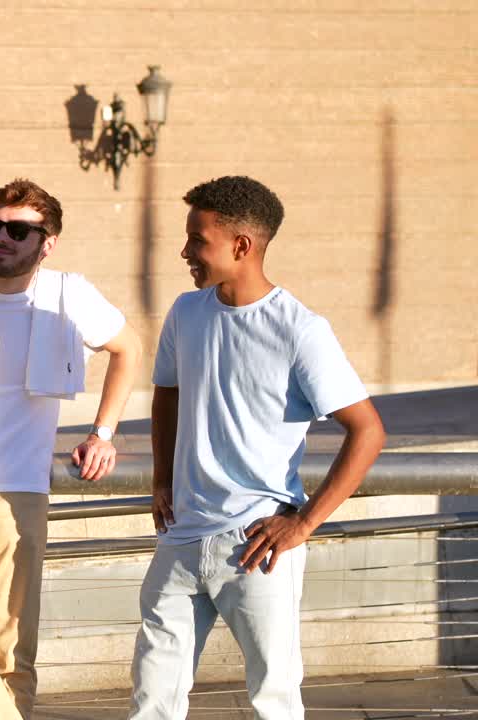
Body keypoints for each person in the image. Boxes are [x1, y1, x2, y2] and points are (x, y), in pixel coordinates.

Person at [129, 176, 385, 718]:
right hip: (180, 539)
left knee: (274, 701)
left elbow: (368, 431)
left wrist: (303, 524)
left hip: (257, 547)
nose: (185, 252)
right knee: (152, 700)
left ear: (241, 246)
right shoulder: (186, 312)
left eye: (198, 240)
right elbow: (166, 395)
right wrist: (160, 480)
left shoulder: (300, 330)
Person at [0, 178, 142, 720]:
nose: (1, 238)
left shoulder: (68, 296)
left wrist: (102, 433)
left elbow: (127, 348)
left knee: (12, 652)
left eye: (18, 230)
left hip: (17, 496)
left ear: (48, 241)